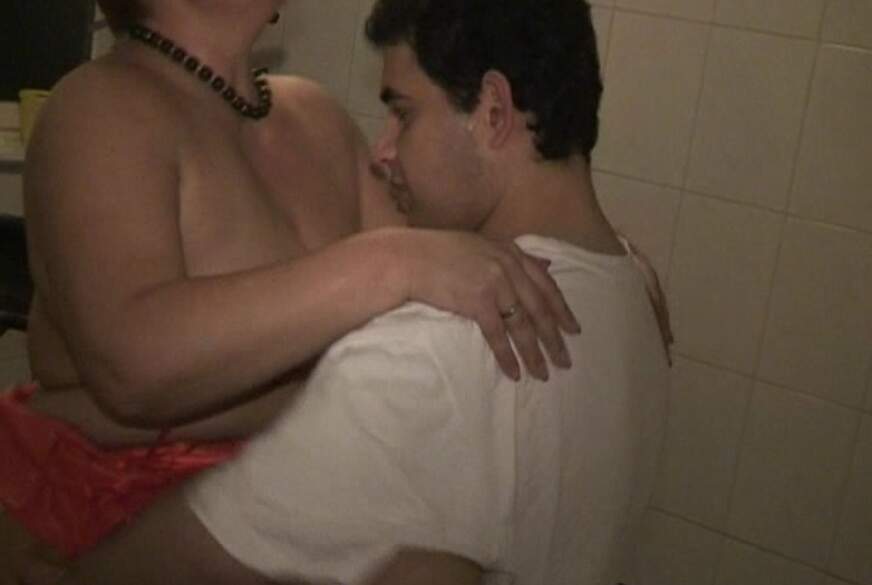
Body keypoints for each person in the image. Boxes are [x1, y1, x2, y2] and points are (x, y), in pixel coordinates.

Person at [30, 0, 671, 583]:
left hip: (284, 532)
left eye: (402, 115)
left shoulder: (315, 114)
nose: (388, 147)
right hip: (111, 537)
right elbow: (133, 364)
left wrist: (588, 255)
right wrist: (386, 262)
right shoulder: (98, 108)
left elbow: (441, 302)